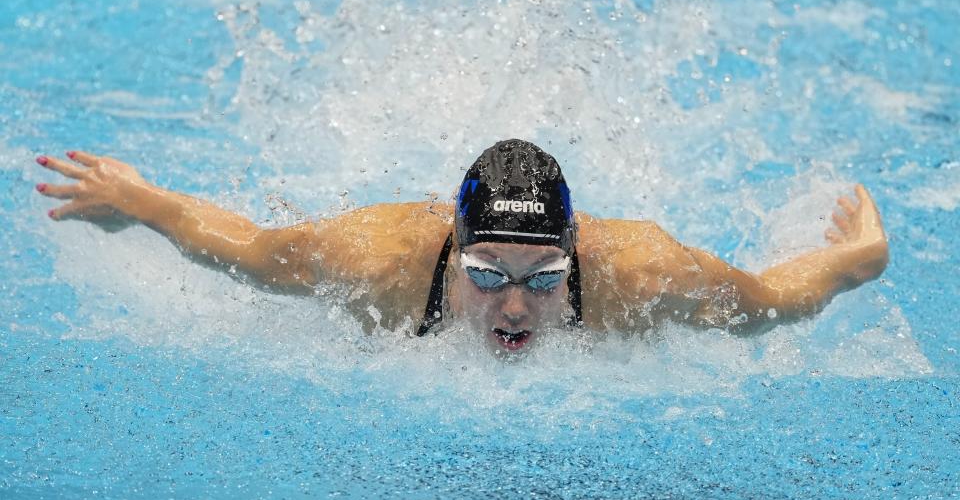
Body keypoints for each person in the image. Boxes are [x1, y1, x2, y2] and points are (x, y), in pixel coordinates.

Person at [33, 139, 889, 355]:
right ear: (450, 251)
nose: (514, 306)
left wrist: (858, 261)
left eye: (543, 279)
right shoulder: (374, 259)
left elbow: (773, 304)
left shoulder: (644, 272)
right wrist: (137, 202)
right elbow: (248, 249)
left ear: (576, 253)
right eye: (486, 274)